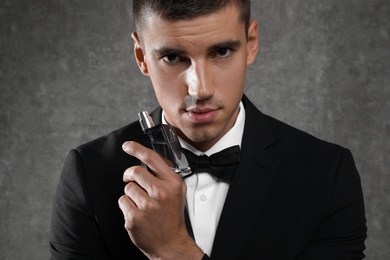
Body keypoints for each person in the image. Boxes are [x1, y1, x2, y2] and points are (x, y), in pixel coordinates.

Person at [50, 0, 367, 259]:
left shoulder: (326, 174)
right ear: (141, 57)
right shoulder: (89, 174)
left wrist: (174, 252)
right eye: (173, 57)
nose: (199, 89)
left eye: (222, 52)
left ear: (251, 44)